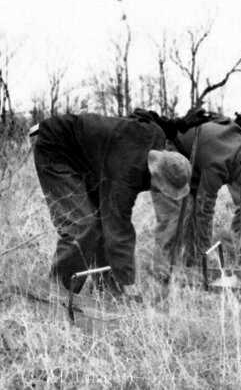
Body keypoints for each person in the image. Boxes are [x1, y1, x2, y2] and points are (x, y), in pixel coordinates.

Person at [32, 109, 210, 295]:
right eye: (164, 188)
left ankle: (107, 288)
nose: (162, 193)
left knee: (99, 222)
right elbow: (118, 229)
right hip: (56, 147)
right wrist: (127, 281)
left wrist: (178, 124)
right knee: (82, 225)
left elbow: (146, 116)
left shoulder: (156, 135)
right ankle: (58, 291)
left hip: (88, 160)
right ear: (157, 178)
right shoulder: (126, 175)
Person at [177, 116, 241, 263]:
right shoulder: (220, 164)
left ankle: (191, 260)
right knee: (184, 214)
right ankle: (179, 267)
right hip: (175, 153)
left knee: (194, 213)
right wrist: (206, 253)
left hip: (198, 162)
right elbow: (204, 209)